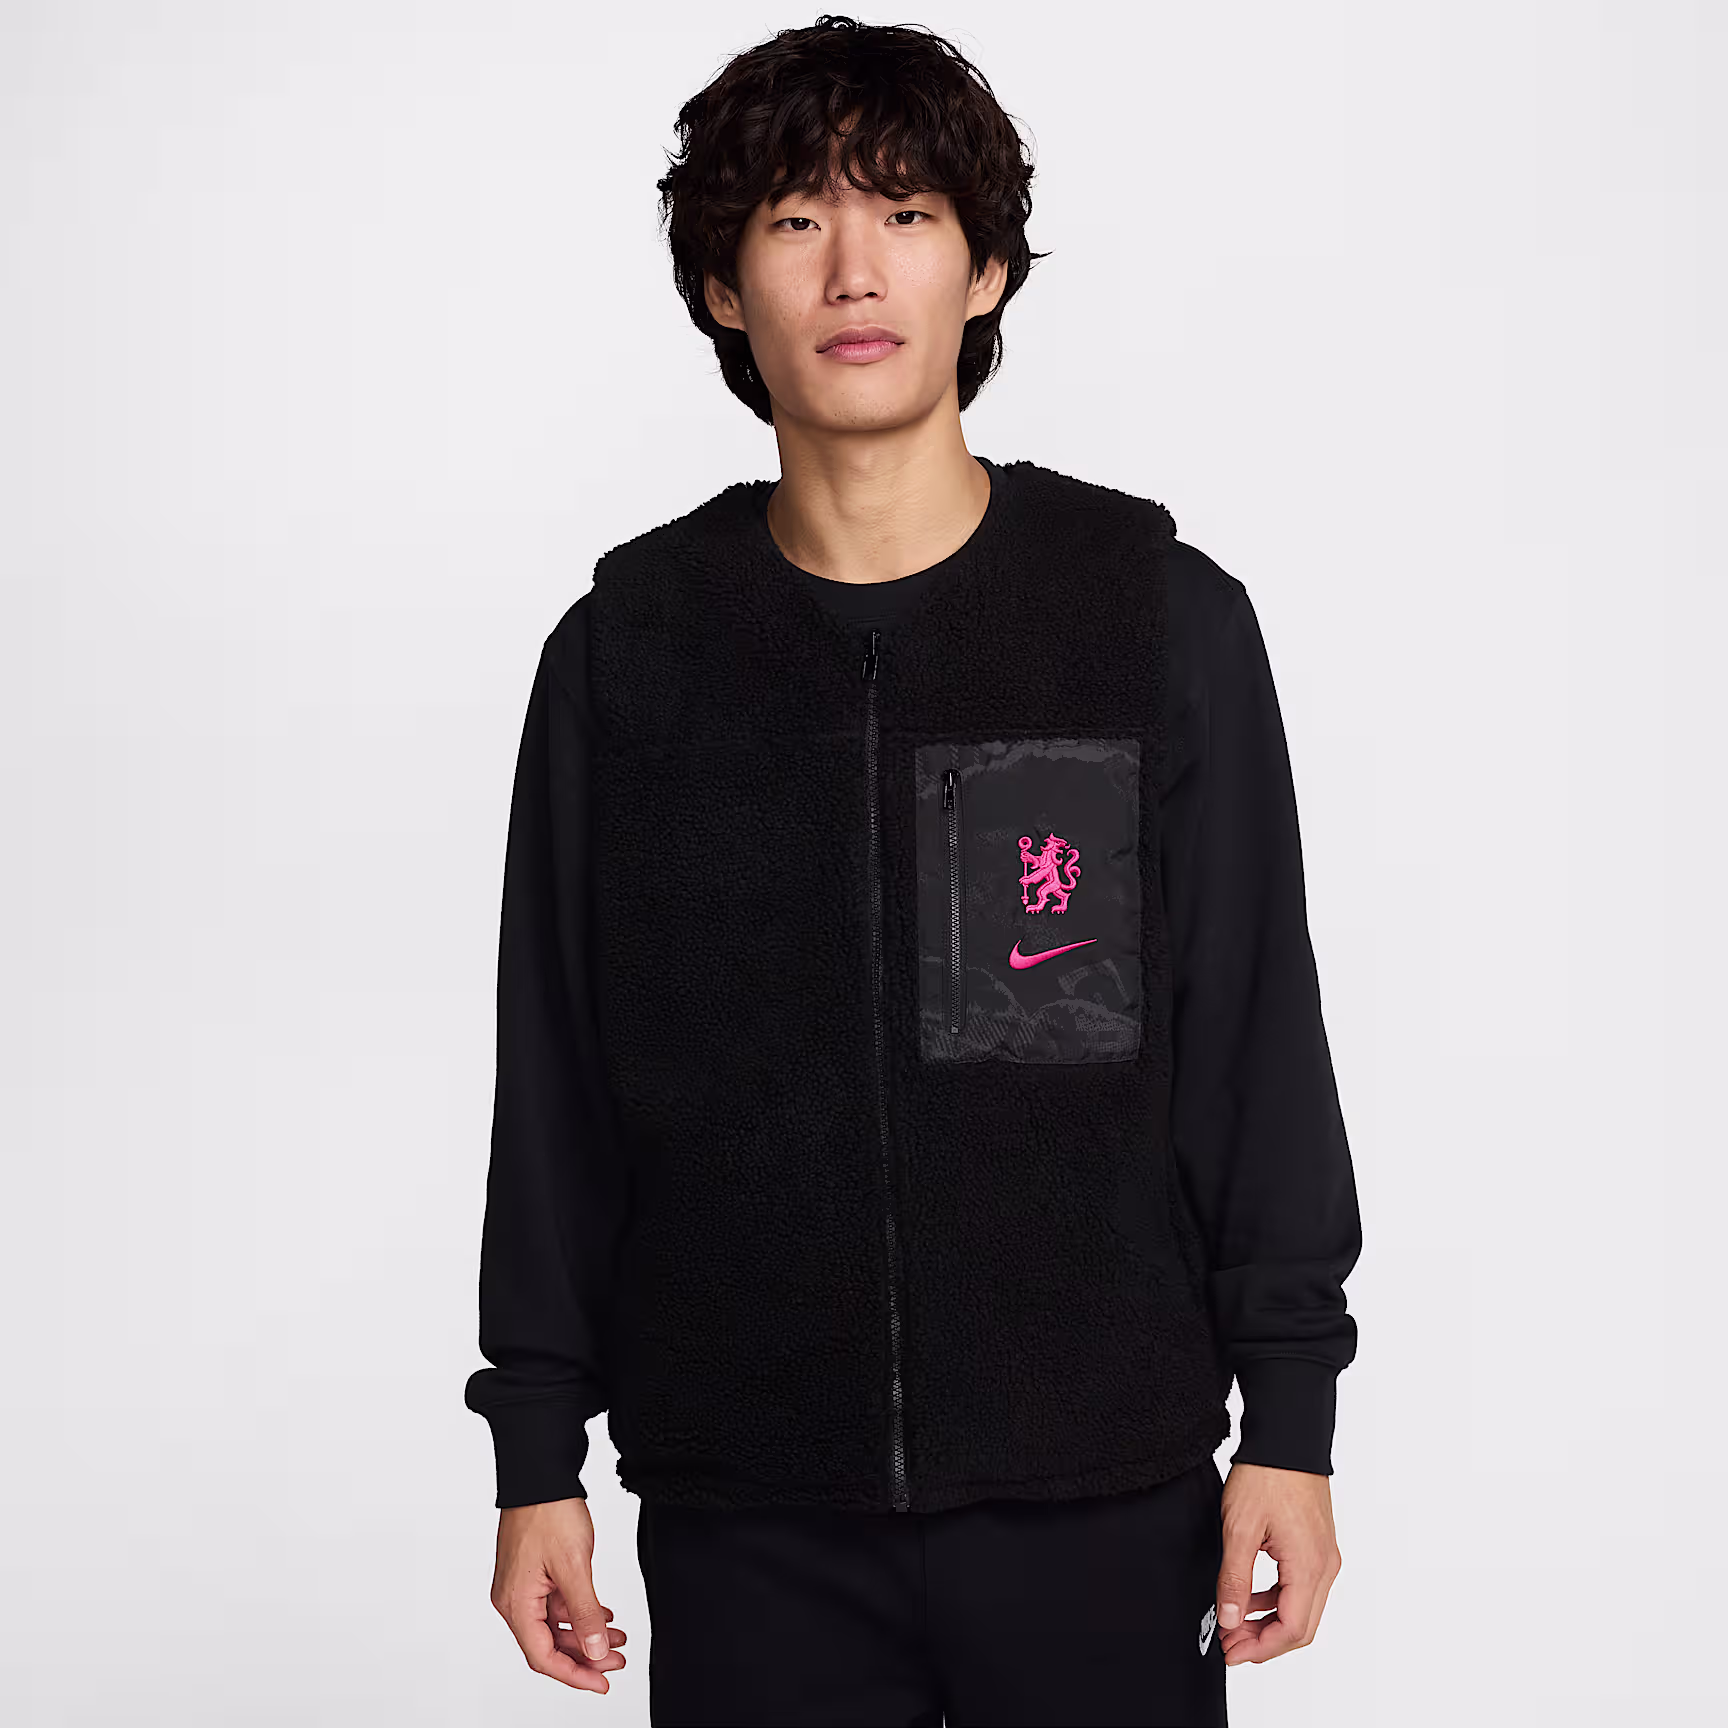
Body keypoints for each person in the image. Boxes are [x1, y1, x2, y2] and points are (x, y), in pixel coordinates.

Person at [463, 15, 1361, 1725]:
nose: (854, 269)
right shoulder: (628, 654)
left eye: (908, 212)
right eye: (796, 218)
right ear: (723, 289)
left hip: (1102, 1492)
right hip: (748, 1506)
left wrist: (1293, 1426)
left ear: (988, 270)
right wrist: (534, 1450)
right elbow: (559, 1076)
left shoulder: (1147, 618)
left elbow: (1253, 1038)